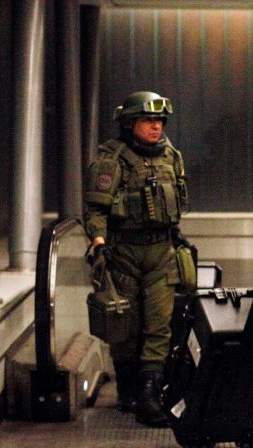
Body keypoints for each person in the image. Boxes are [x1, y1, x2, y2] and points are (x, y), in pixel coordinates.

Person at [84, 90, 191, 427]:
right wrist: (99, 243)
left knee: (160, 324)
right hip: (124, 253)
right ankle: (128, 388)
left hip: (161, 252)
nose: (156, 126)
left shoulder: (171, 156)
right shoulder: (112, 159)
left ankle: (149, 393)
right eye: (148, 120)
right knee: (125, 327)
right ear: (130, 123)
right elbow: (96, 209)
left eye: (160, 121)